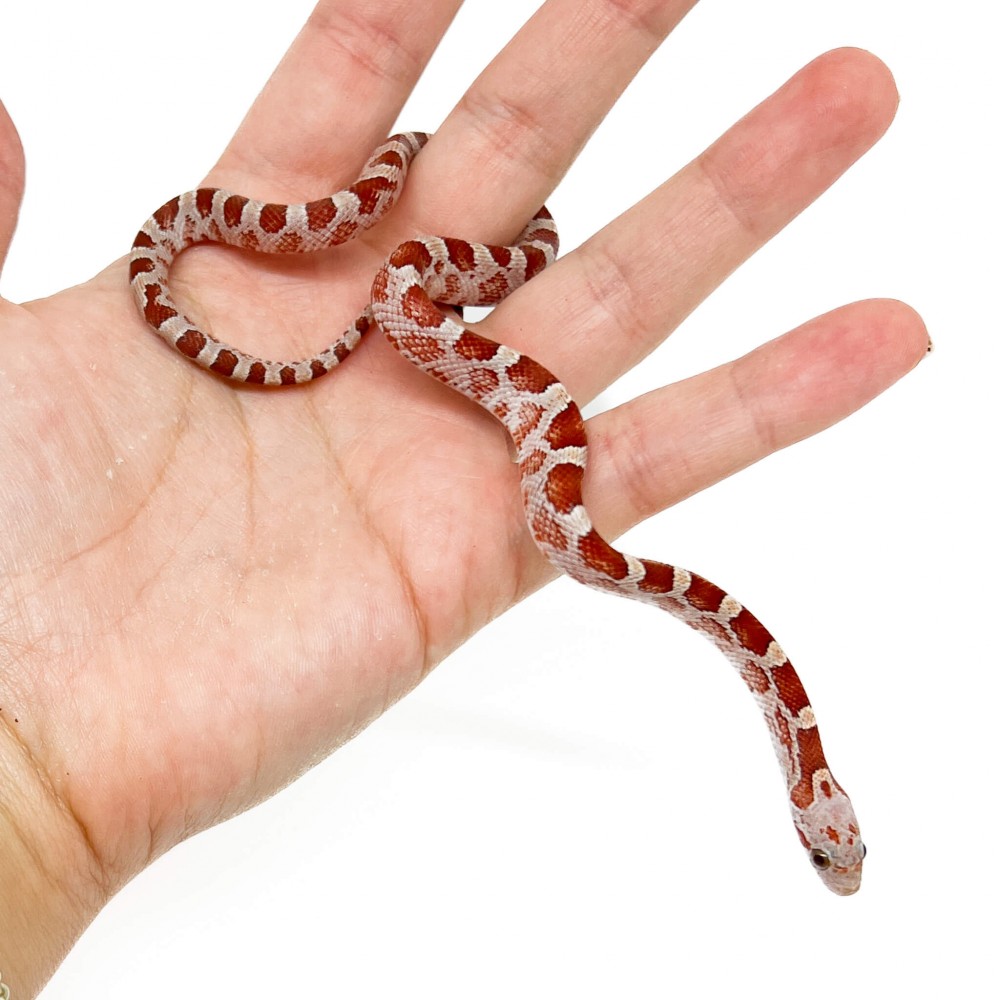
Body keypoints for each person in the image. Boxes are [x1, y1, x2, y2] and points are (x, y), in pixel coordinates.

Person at [0, 0, 928, 994]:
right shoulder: (414, 307)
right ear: (815, 804)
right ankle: (371, 200)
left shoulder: (672, 610)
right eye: (838, 850)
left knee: (423, 285)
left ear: (814, 806)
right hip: (405, 291)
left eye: (833, 852)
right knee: (407, 278)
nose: (839, 860)